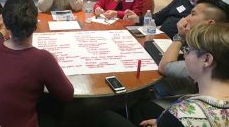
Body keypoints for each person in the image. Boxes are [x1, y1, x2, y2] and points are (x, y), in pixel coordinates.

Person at [95, 23, 229, 127]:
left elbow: (183, 119)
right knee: (141, 108)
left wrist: (167, 121)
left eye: (187, 50)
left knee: (104, 116)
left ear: (206, 60)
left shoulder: (182, 113)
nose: (185, 55)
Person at [0, 0, 74, 127]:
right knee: (62, 109)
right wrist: (53, 63)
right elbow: (67, 95)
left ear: (6, 25)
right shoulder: (43, 59)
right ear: (35, 26)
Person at [154, 0, 229, 98]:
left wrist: (180, 36)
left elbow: (164, 67)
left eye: (193, 14)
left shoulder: (204, 53)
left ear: (210, 23)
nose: (186, 18)